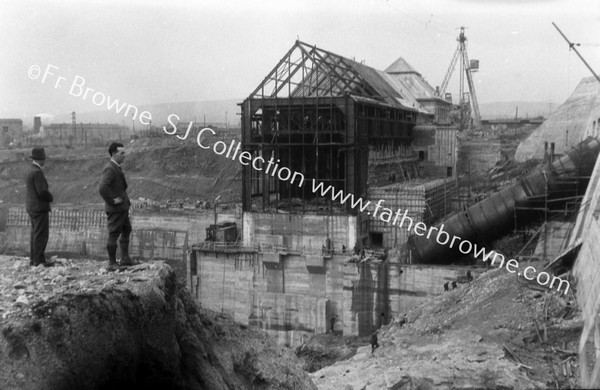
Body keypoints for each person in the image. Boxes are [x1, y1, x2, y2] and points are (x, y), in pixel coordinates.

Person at [99, 142, 133, 270]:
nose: (124, 156)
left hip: (122, 208)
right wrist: (112, 201)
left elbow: (122, 186)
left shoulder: (116, 167)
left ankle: (125, 259)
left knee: (126, 230)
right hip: (116, 209)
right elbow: (103, 188)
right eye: (122, 153)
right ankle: (112, 263)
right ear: (113, 154)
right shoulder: (110, 168)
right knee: (114, 234)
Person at [25, 147, 54, 267]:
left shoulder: (29, 170)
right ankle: (39, 260)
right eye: (44, 158)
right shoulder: (37, 172)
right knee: (41, 235)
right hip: (39, 207)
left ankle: (34, 259)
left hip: (31, 206)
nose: (45, 161)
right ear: (40, 159)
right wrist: (50, 197)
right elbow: (42, 191)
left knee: (35, 234)